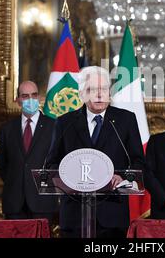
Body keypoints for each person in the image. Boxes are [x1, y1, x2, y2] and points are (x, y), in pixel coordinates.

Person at [50, 66, 145, 238]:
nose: (99, 95)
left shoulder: (126, 120)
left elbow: (139, 162)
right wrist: (70, 178)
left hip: (112, 216)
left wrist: (124, 177)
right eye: (92, 90)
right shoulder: (65, 123)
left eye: (103, 89)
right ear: (82, 93)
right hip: (74, 215)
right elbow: (51, 164)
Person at [0, 81, 58, 226]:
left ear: (39, 98)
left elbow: (58, 161)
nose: (30, 99)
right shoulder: (7, 129)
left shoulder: (54, 126)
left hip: (42, 202)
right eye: (25, 96)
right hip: (14, 204)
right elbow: (3, 166)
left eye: (34, 95)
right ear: (18, 100)